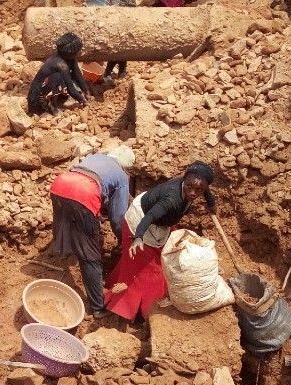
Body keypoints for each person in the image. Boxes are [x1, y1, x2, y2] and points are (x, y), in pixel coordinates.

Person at [103, 160, 217, 320]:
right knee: (150, 270)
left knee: (164, 256)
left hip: (160, 223)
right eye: (190, 187)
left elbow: (204, 189)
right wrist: (137, 238)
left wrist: (211, 204)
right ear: (185, 181)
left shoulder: (194, 183)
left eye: (199, 190)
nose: (193, 193)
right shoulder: (170, 200)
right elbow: (149, 217)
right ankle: (141, 310)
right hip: (142, 223)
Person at [48, 146, 134, 319]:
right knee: (90, 256)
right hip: (83, 194)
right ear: (126, 167)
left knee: (67, 221)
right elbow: (118, 218)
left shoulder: (96, 158)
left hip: (59, 185)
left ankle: (65, 250)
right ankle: (98, 307)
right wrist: (124, 241)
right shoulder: (122, 176)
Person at [27, 32, 90, 116]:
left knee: (66, 76)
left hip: (46, 86)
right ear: (70, 53)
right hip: (37, 94)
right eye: (76, 52)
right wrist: (83, 100)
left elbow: (77, 73)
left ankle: (60, 99)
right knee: (58, 77)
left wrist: (86, 90)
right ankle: (50, 105)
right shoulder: (60, 64)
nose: (77, 54)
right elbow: (70, 87)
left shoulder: (69, 58)